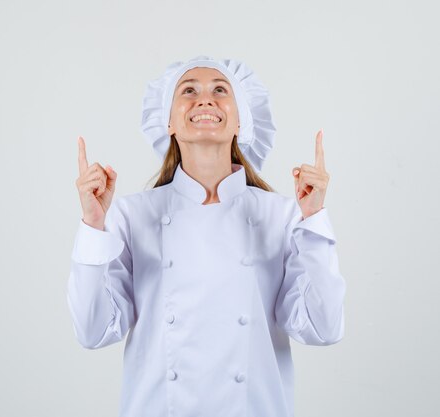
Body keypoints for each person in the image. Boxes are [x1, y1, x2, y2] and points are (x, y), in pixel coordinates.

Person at [67, 55, 346, 417]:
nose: (205, 99)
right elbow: (92, 332)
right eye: (188, 90)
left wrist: (314, 220)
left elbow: (323, 329)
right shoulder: (132, 215)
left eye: (219, 89)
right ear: (167, 122)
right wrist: (92, 225)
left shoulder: (281, 215)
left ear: (241, 119)